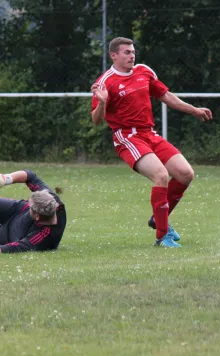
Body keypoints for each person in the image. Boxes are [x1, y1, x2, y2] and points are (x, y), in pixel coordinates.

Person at [91, 37, 212, 248]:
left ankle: (158, 218)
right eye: (126, 52)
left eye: (133, 52)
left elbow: (166, 96)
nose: (132, 55)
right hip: (127, 137)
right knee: (161, 175)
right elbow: (96, 119)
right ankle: (162, 236)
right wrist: (101, 103)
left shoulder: (144, 72)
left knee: (185, 174)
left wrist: (194, 110)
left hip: (150, 134)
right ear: (114, 55)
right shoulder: (105, 82)